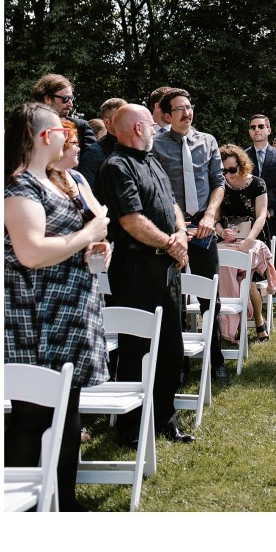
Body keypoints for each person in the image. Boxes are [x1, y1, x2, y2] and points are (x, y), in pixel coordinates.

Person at [4, 103, 111, 511]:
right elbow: (30, 253)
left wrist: (92, 247)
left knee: (67, 413)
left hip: (69, 311)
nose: (67, 136)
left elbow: (63, 243)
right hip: (34, 319)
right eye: (58, 130)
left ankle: (62, 502)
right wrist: (87, 234)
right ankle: (19, 513)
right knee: (33, 416)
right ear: (41, 136)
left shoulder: (55, 183)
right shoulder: (18, 188)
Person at [96, 103, 195, 444]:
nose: (156, 128)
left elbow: (171, 204)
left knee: (170, 346)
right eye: (152, 125)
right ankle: (131, 427)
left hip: (166, 266)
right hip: (135, 267)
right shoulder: (115, 166)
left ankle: (165, 417)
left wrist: (181, 234)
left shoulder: (151, 160)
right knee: (136, 347)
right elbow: (130, 220)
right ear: (138, 128)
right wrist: (171, 242)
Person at [152, 88, 228, 387]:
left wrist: (210, 216)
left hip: (204, 227)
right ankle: (179, 363)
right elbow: (157, 187)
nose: (187, 112)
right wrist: (176, 223)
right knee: (177, 300)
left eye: (189, 107)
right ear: (167, 115)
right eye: (179, 109)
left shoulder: (207, 141)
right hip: (173, 229)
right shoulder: (155, 145)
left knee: (212, 297)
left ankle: (215, 358)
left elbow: (218, 183)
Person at [215, 144, 275, 342]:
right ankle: (249, 322)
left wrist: (250, 240)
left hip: (254, 237)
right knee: (238, 275)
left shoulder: (257, 184)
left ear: (241, 165)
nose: (228, 174)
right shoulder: (219, 184)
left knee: (243, 273)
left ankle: (252, 320)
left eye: (232, 169)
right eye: (224, 170)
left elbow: (261, 216)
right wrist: (222, 231)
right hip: (227, 240)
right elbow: (215, 219)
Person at [245, 114, 276, 319]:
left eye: (261, 126)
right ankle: (251, 304)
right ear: (249, 131)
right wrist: (257, 208)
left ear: (269, 130)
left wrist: (265, 204)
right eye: (253, 127)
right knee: (250, 261)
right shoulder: (243, 156)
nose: (257, 130)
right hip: (251, 218)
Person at [30, 72, 97, 153]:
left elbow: (93, 159)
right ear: (47, 98)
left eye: (71, 98)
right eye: (65, 99)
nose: (70, 104)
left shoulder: (81, 127)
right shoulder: (29, 127)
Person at [77, 96, 127, 191]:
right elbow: (86, 192)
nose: (127, 121)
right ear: (107, 122)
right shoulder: (93, 154)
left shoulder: (139, 147)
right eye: (120, 117)